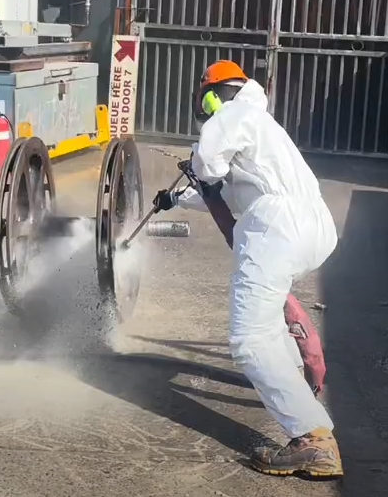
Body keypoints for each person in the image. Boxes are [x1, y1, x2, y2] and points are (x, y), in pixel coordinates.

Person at [153, 59, 342, 477]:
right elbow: (232, 194)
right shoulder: (262, 127)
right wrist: (178, 199)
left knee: (249, 338)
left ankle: (313, 439)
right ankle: (295, 385)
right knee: (268, 322)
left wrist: (199, 168)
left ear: (212, 96)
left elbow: (207, 161)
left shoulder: (235, 112)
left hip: (277, 227)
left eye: (205, 102)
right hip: (314, 228)